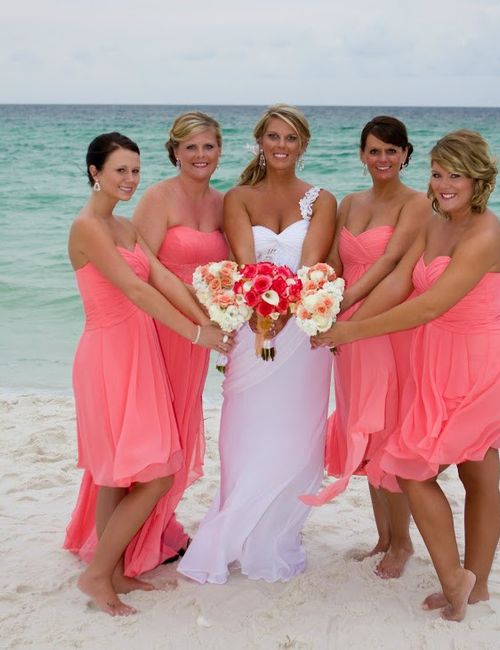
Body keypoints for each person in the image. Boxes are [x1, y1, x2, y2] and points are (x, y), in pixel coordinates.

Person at [314, 130, 500, 621]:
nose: (444, 184)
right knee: (433, 468)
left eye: (456, 175)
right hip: (438, 361)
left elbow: (430, 305)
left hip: (482, 363)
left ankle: (467, 583)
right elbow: (398, 281)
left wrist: (353, 331)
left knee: (450, 471)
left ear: (479, 179)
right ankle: (464, 582)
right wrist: (342, 319)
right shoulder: (435, 223)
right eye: (437, 173)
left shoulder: (485, 235)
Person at [64, 132, 231, 615]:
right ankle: (97, 576)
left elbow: (162, 279)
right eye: (120, 170)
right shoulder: (87, 228)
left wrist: (208, 320)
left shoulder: (123, 226)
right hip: (108, 355)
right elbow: (137, 292)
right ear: (95, 172)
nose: (130, 179)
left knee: (118, 475)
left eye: (135, 171)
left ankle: (113, 570)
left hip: (139, 352)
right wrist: (196, 335)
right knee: (155, 474)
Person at [178, 104, 337, 583]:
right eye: (273, 137)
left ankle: (276, 534)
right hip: (252, 328)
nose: (281, 146)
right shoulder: (239, 198)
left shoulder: (322, 200)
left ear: (303, 145)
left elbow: (312, 267)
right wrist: (263, 318)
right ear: (260, 143)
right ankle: (234, 528)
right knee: (245, 430)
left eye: (290, 138)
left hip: (303, 335)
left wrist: (286, 314)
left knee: (296, 435)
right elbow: (246, 266)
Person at [303, 116, 430, 580]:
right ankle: (383, 537)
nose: (383, 159)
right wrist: (318, 299)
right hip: (346, 321)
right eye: (374, 150)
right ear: (361, 154)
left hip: (382, 321)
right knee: (363, 423)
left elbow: (392, 261)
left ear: (406, 154)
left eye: (392, 151)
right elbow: (337, 260)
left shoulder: (417, 203)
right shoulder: (351, 202)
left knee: (387, 425)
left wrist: (346, 306)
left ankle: (403, 542)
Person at [132, 111, 229, 561]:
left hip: (200, 335)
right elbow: (145, 269)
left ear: (220, 151)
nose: (200, 155)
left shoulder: (224, 203)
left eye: (208, 146)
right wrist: (194, 317)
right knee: (154, 430)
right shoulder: (158, 197)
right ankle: (132, 535)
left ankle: (159, 523)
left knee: (182, 424)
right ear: (174, 152)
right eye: (190, 147)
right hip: (163, 327)